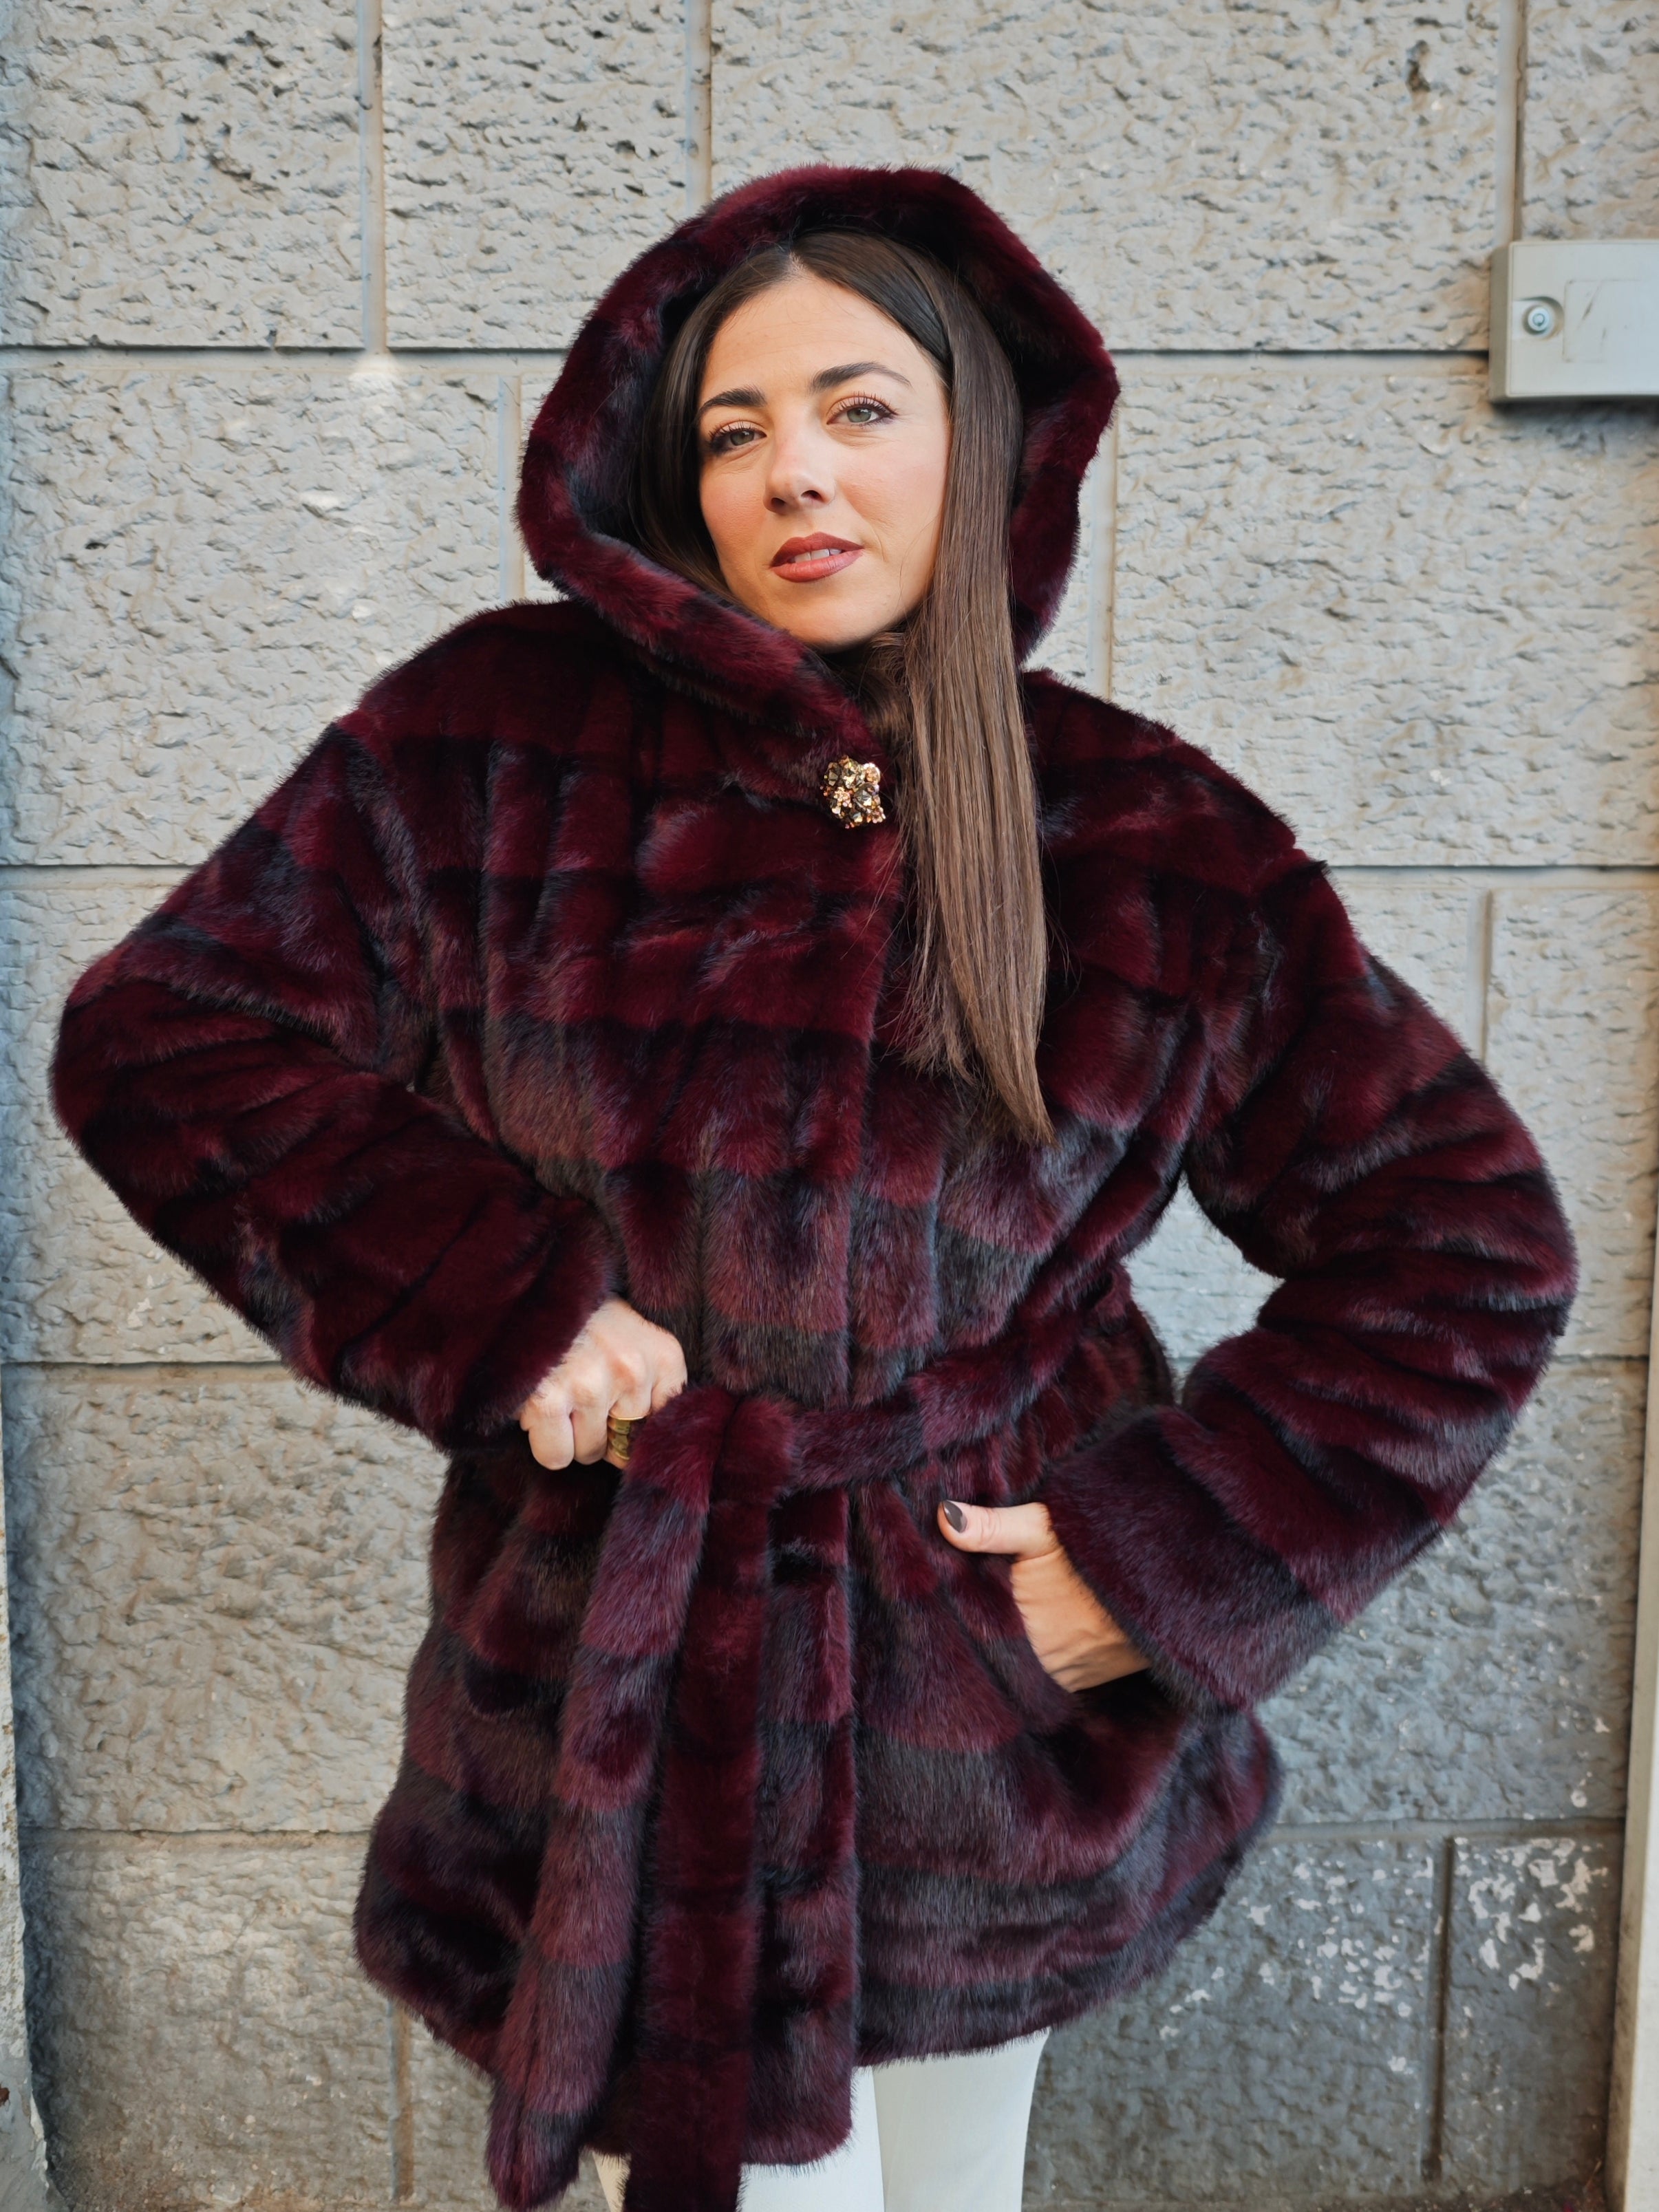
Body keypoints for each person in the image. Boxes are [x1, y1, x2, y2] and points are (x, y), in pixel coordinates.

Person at [51, 166, 1577, 2212]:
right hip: (633, 1695)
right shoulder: (487, 745)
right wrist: (498, 1302)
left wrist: (1153, 1564)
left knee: (954, 2189)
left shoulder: (1144, 830)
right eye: (734, 428)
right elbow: (169, 1033)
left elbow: (1461, 1236)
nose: (795, 471)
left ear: (981, 445)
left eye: (860, 408)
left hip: (991, 1716)